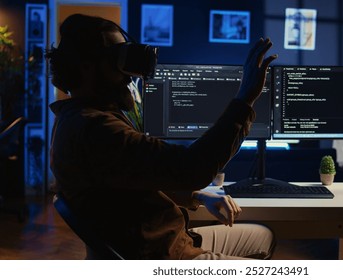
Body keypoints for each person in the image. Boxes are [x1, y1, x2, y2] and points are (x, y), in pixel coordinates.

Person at [46, 13, 278, 260]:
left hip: (171, 240)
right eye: (118, 62)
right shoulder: (96, 131)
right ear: (86, 67)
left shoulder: (79, 120)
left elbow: (135, 177)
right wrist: (245, 98)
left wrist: (196, 195)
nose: (129, 75)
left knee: (262, 236)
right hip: (165, 257)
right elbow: (194, 167)